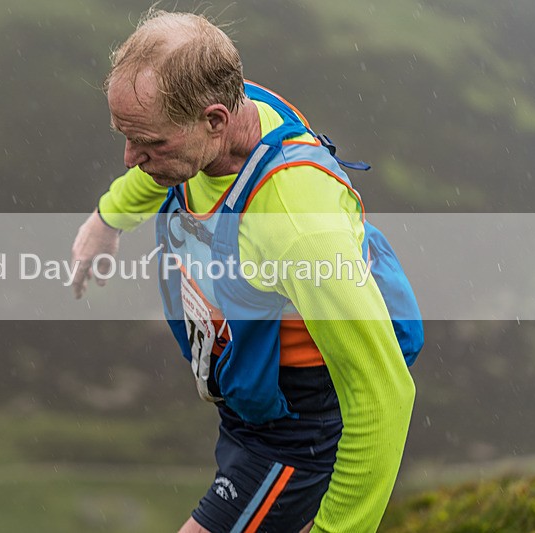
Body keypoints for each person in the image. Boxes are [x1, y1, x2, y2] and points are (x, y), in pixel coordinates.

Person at [71, 9, 417, 533]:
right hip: (255, 407)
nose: (129, 158)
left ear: (214, 120)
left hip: (297, 430)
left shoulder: (297, 227)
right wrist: (108, 218)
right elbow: (159, 171)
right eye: (125, 134)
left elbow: (383, 393)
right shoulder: (228, 107)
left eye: (150, 144)